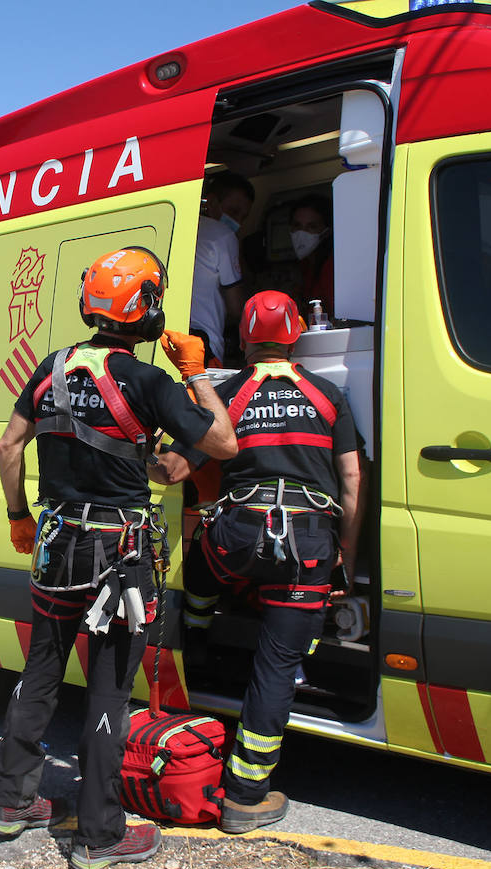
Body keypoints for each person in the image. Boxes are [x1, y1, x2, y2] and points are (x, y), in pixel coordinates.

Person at [0, 247, 238, 869]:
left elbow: (9, 444)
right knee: (108, 688)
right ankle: (99, 834)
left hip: (56, 543)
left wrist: (19, 515)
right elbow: (223, 441)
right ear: (146, 308)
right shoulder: (148, 381)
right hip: (117, 557)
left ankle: (10, 801)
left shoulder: (53, 367)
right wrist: (197, 372)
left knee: (43, 670)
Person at [160, 290, 361, 834]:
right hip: (307, 551)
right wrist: (346, 557)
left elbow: (173, 471)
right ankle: (248, 793)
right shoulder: (329, 395)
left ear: (245, 339)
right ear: (296, 333)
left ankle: (196, 634)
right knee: (275, 666)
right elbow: (351, 481)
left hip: (236, 541)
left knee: (201, 566)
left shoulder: (226, 394)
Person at [190, 173, 255, 368]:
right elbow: (236, 308)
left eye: (243, 217)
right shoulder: (223, 236)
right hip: (204, 346)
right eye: (233, 211)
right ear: (211, 201)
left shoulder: (180, 226)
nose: (237, 221)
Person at [289, 195, 334, 322]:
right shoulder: (305, 266)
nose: (302, 233)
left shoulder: (331, 267)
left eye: (311, 227)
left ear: (326, 231)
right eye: (297, 226)